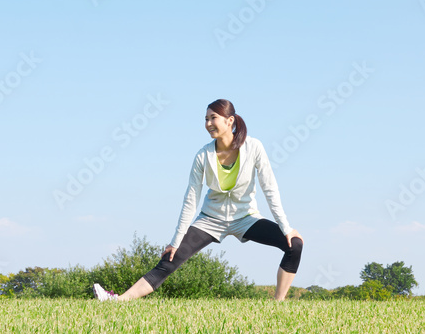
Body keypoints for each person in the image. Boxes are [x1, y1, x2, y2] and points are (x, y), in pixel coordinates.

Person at [93, 99, 304, 302]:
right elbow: (190, 200)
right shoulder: (203, 156)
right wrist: (175, 241)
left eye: (213, 118)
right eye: (206, 119)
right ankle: (118, 300)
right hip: (210, 219)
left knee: (294, 244)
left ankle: (278, 302)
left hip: (246, 218)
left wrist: (286, 227)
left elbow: (270, 188)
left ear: (229, 121)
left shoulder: (254, 147)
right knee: (169, 260)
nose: (208, 124)